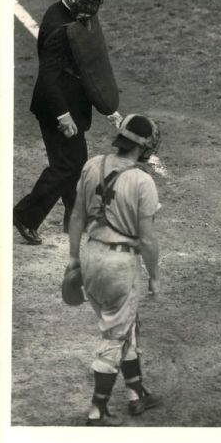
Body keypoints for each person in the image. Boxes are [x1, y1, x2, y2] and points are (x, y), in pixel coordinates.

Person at [67, 114, 162, 426]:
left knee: (123, 324)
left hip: (91, 255)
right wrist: (154, 277)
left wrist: (73, 260)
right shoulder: (142, 181)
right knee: (114, 333)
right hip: (120, 265)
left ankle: (136, 394)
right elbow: (147, 239)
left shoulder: (92, 165)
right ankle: (98, 410)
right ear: (144, 146)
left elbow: (77, 216)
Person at [13, 0, 121, 245]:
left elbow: (90, 65)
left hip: (75, 104)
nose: (87, 13)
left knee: (76, 164)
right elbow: (48, 76)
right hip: (55, 107)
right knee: (66, 166)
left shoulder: (81, 13)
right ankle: (25, 216)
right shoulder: (56, 25)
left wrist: (107, 107)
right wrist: (62, 115)